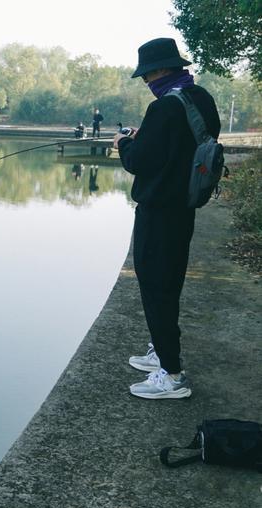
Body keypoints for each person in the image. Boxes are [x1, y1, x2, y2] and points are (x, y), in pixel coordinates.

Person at [113, 37, 221, 400]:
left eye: (147, 75)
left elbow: (138, 161)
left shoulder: (162, 109)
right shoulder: (200, 98)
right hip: (184, 208)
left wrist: (124, 143)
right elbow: (192, 144)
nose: (146, 82)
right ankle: (161, 351)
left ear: (161, 70)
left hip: (158, 213)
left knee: (155, 286)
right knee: (169, 282)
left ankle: (172, 376)